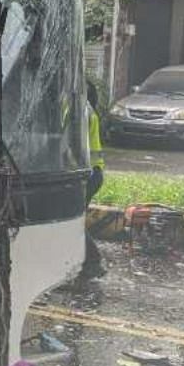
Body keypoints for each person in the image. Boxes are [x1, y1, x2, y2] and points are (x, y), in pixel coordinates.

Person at [80, 82, 106, 279]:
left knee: (72, 222)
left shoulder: (80, 111)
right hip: (92, 173)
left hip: (86, 175)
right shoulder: (86, 109)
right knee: (74, 220)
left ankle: (92, 262)